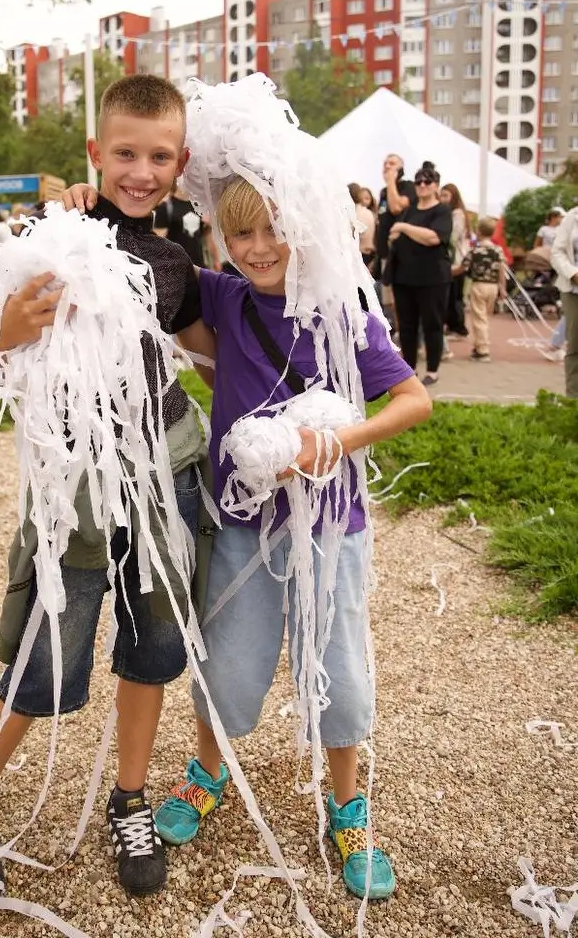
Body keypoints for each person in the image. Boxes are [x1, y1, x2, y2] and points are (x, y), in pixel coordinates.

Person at [0, 74, 215, 900]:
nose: (141, 170)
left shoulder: (175, 262)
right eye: (124, 152)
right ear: (96, 153)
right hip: (77, 488)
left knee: (154, 650)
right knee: (42, 655)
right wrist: (17, 322)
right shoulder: (56, 239)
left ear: (181, 163)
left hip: (168, 471)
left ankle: (128, 798)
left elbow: (213, 351)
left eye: (158, 155)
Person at [148, 170, 431, 901]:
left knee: (336, 667)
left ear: (304, 228)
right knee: (228, 662)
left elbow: (413, 399)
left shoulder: (343, 313)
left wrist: (332, 446)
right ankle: (210, 770)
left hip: (331, 529)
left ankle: (348, 805)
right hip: (241, 527)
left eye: (274, 229)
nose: (259, 247)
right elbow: (153, 262)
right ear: (220, 236)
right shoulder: (226, 295)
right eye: (240, 232)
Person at [387, 162, 453, 386]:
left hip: (432, 278)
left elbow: (434, 237)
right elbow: (394, 233)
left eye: (427, 181)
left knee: (432, 324)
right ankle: (409, 368)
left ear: (436, 185)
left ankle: (432, 369)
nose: (422, 185)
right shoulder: (410, 210)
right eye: (418, 181)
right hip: (404, 276)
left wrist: (404, 229)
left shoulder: (442, 210)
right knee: (406, 325)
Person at [463, 217, 508, 363]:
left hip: (479, 285)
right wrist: (503, 288)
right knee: (485, 318)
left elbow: (464, 267)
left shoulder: (475, 250)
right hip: (493, 286)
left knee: (479, 319)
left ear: (479, 231)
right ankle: (479, 345)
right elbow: (502, 270)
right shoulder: (498, 250)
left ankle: (483, 350)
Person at [550, 204, 578, 398]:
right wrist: (573, 273)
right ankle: (574, 400)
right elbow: (556, 252)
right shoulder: (572, 217)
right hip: (573, 290)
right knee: (575, 345)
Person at [375, 153, 416, 277]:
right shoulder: (384, 191)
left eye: (392, 164)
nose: (387, 166)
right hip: (384, 254)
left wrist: (391, 180)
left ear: (401, 169)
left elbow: (396, 208)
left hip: (399, 255)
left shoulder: (408, 186)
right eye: (385, 164)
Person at [439, 183, 470, 338]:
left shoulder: (457, 213)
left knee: (455, 295)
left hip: (456, 260)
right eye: (441, 195)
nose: (443, 199)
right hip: (453, 260)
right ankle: (454, 325)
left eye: (446, 196)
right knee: (451, 295)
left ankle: (458, 327)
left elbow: (453, 236)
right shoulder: (452, 213)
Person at [154, 186, 205, 265]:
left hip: (199, 265)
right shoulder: (166, 207)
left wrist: (216, 260)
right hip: (176, 267)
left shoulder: (198, 206)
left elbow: (206, 235)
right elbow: (158, 243)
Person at [349, 182, 376, 273]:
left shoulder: (355, 212)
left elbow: (351, 234)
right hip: (368, 254)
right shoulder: (368, 212)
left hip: (359, 254)